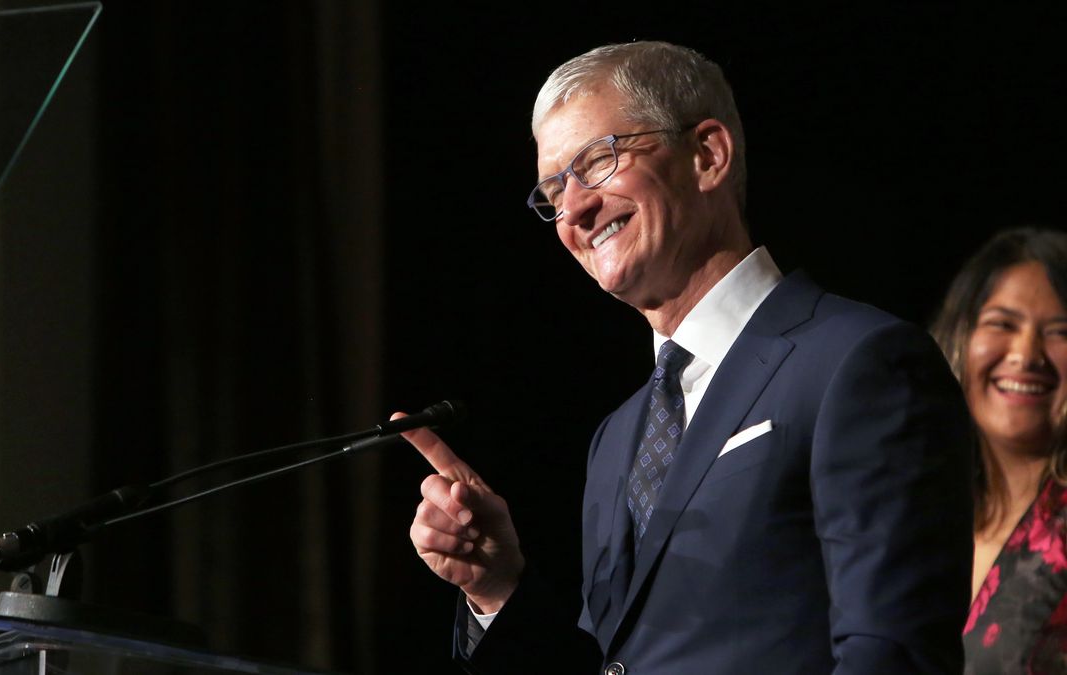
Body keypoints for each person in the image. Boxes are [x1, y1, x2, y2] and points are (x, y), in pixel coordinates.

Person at [399, 41, 974, 674]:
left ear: (707, 155)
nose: (575, 212)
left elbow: (889, 652)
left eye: (597, 161)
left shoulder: (857, 363)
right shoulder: (616, 438)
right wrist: (496, 589)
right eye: (554, 193)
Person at [930, 228, 1067, 674]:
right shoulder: (911, 512)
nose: (1026, 355)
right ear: (959, 338)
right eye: (1002, 324)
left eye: (1060, 332)